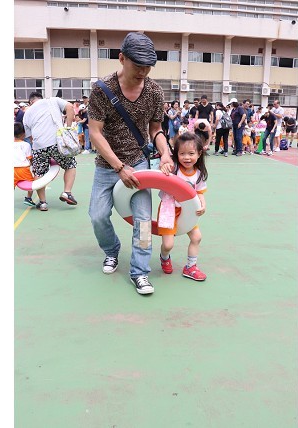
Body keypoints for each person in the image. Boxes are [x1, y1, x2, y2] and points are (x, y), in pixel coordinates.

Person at [87, 32, 174, 295]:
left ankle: (140, 272)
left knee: (144, 221)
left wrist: (165, 153)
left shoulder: (154, 91)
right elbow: (95, 133)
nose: (143, 72)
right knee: (97, 216)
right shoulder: (102, 89)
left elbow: (156, 129)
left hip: (138, 163)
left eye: (148, 66)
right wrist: (118, 167)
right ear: (121, 58)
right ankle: (111, 250)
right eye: (138, 65)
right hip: (107, 165)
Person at [157, 132, 208, 281]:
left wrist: (203, 204)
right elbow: (160, 173)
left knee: (197, 237)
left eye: (191, 153)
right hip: (169, 210)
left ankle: (190, 267)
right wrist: (164, 167)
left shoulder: (199, 174)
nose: (187, 157)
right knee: (168, 245)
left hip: (187, 211)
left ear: (199, 153)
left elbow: (200, 193)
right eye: (182, 153)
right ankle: (164, 257)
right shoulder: (173, 169)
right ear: (176, 154)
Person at [22, 91, 79, 206]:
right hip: (56, 142)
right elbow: (69, 107)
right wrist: (67, 128)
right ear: (41, 98)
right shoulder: (53, 100)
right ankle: (67, 192)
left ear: (30, 102)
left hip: (38, 146)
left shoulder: (26, 113)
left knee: (39, 173)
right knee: (70, 165)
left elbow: (30, 136)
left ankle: (42, 202)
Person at [13, 122, 46, 210]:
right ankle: (28, 198)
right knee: (31, 184)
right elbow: (29, 157)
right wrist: (33, 164)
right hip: (23, 169)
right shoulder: (26, 145)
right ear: (23, 134)